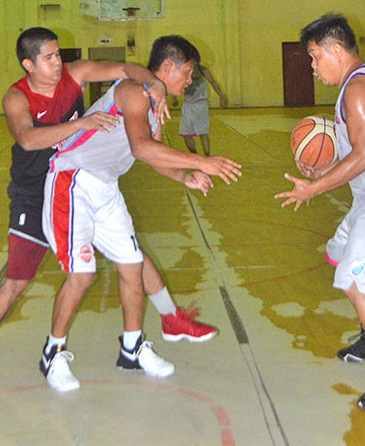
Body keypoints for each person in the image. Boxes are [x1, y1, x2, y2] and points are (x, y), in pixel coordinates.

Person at [0, 28, 217, 383]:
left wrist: (154, 85)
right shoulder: (16, 97)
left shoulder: (77, 74)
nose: (58, 62)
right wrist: (84, 123)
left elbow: (128, 69)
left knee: (133, 258)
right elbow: (29, 139)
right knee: (18, 281)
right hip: (39, 189)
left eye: (58, 54)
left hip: (90, 179)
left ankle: (159, 326)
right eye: (49, 57)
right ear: (28, 65)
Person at [39, 35, 242, 391]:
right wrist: (201, 161)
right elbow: (141, 147)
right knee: (82, 275)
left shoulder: (155, 105)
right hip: (72, 181)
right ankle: (52, 354)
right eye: (188, 72)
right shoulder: (133, 91)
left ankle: (131, 349)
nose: (190, 80)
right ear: (168, 67)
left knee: (133, 266)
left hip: (105, 187)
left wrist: (185, 175)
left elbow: (153, 154)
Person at [275, 14, 365, 411]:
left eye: (314, 56)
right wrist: (320, 172)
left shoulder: (357, 89)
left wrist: (315, 187)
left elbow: (364, 155)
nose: (312, 66)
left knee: (356, 280)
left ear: (336, 50)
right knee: (338, 254)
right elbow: (358, 153)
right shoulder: (353, 86)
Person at [173, 63, 227, 156]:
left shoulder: (203, 70)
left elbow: (213, 82)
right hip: (188, 105)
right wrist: (174, 98)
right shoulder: (182, 70)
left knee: (203, 133)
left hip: (201, 105)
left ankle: (207, 156)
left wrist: (221, 96)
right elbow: (175, 83)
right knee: (186, 135)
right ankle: (195, 155)